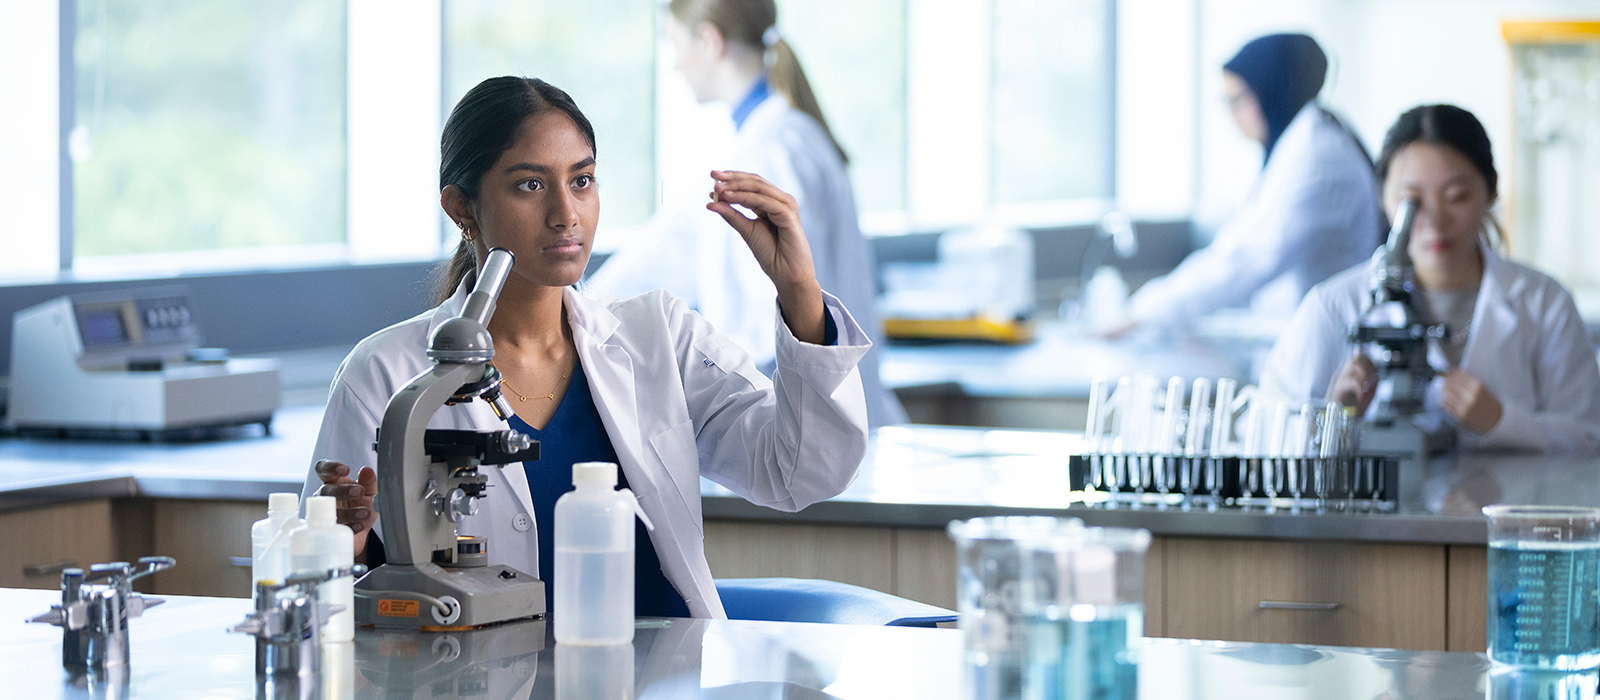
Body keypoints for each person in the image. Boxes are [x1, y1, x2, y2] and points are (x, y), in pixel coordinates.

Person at [302, 76, 875, 618]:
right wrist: (345, 552)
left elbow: (801, 471)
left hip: (661, 683)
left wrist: (798, 292)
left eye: (581, 181)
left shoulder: (659, 338)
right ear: (462, 208)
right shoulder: (385, 374)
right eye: (530, 185)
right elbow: (328, 600)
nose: (565, 214)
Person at [585, 0, 905, 428]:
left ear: (709, 41)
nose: (676, 65)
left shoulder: (772, 151)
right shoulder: (769, 139)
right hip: (816, 418)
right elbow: (674, 248)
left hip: (805, 424)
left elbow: (773, 321)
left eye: (674, 44)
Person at [1260, 104, 1600, 455]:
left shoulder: (1544, 303)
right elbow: (1262, 430)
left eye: (1457, 197)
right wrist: (1331, 420)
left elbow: (1588, 439)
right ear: (1381, 196)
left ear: (1491, 192)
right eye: (1412, 202)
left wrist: (1503, 422)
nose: (1435, 222)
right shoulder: (1334, 305)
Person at [1117, 33, 1382, 334]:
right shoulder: (1291, 148)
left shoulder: (1319, 158)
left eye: (1238, 100)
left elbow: (1249, 258)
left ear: (1273, 91)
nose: (1232, 115)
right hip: (1299, 330)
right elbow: (1241, 245)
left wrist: (1142, 314)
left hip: (1326, 339)